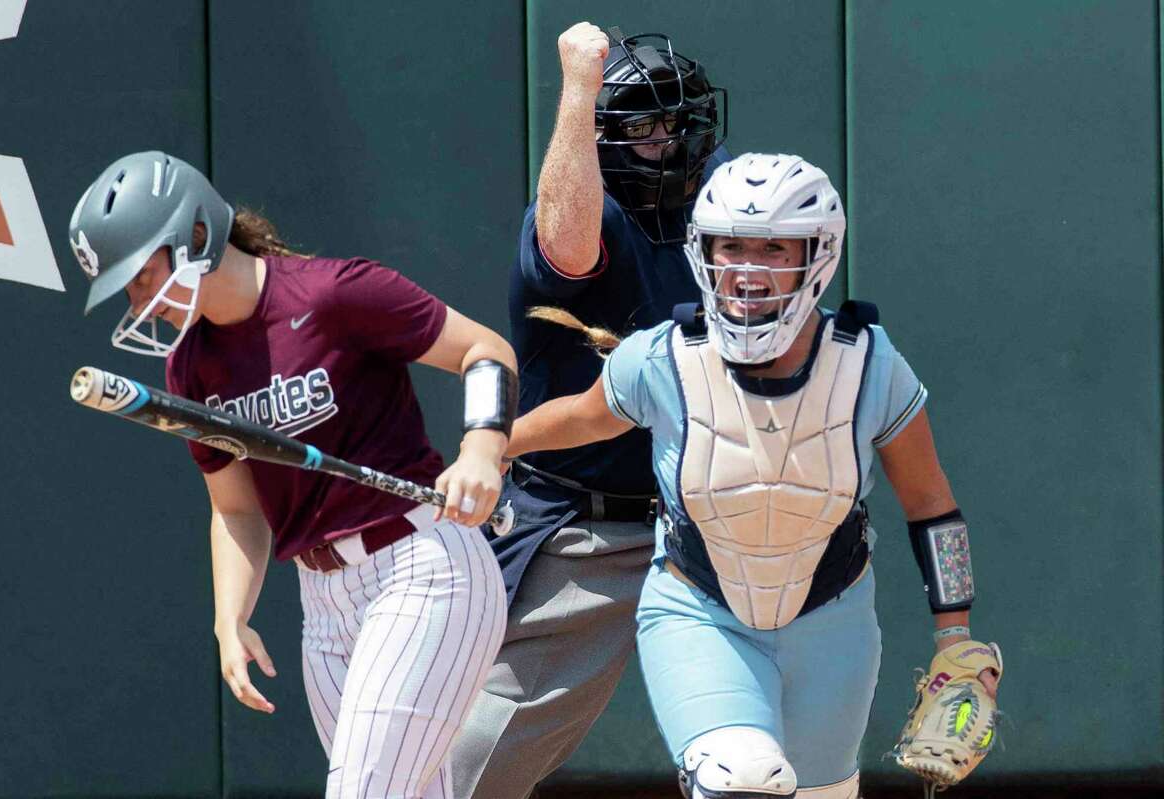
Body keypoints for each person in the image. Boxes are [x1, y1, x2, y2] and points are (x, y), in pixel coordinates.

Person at [499, 152, 1002, 798]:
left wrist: (955, 638)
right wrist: (492, 444)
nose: (747, 269)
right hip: (700, 611)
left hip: (833, 622)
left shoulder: (869, 365)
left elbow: (934, 508)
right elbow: (579, 418)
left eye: (773, 248)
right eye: (730, 246)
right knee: (743, 777)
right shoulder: (665, 357)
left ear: (817, 256)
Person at [68, 151, 514, 799]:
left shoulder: (331, 293)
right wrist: (230, 615)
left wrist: (480, 450)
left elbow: (486, 351)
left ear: (194, 234)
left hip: (423, 567)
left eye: (139, 275)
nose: (138, 301)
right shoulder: (190, 366)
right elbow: (237, 510)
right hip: (324, 606)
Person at [449, 23, 727, 799]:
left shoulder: (728, 200)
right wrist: (579, 85)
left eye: (675, 120)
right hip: (588, 525)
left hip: (716, 515)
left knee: (759, 750)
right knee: (475, 755)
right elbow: (566, 246)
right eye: (639, 123)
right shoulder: (585, 211)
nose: (664, 140)